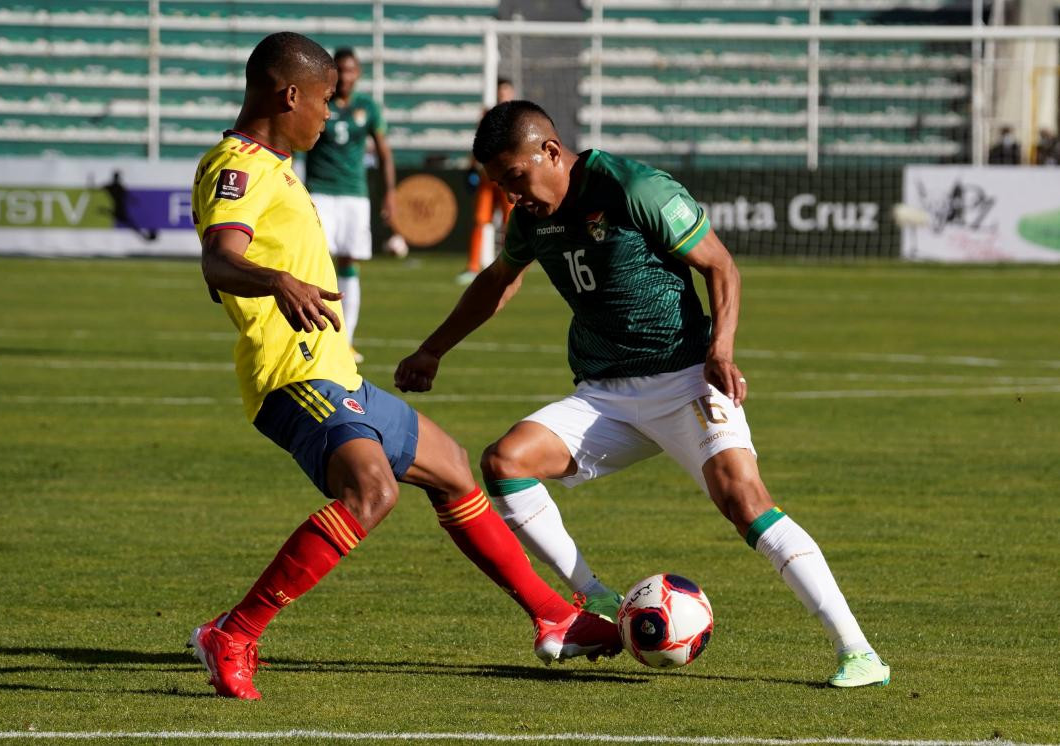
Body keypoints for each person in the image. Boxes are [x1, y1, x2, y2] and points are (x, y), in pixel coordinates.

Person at [395, 100, 891, 688]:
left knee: (744, 500)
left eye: (516, 178)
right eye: (500, 184)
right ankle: (597, 597)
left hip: (684, 377)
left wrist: (721, 350)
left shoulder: (633, 186)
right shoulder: (530, 216)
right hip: (604, 393)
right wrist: (433, 348)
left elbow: (721, 266)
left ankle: (857, 652)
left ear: (551, 152)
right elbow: (497, 283)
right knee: (505, 462)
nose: (511, 195)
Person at [188, 36, 619, 701]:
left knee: (450, 469)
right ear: (290, 96)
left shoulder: (276, 166)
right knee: (372, 494)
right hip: (292, 376)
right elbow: (219, 258)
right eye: (327, 102)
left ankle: (553, 615)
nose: (331, 118)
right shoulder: (235, 166)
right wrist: (277, 280)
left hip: (335, 372)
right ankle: (235, 633)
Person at [303, 47, 395, 364]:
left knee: (349, 263)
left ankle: (346, 340)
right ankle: (315, 337)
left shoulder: (367, 107)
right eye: (340, 70)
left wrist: (390, 194)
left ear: (359, 73)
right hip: (320, 191)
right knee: (317, 263)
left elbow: (384, 152)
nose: (346, 76)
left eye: (351, 70)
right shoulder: (319, 102)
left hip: (355, 194)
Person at [459, 77, 516, 286]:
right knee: (480, 220)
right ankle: (473, 265)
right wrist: (471, 167)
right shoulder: (487, 115)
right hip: (487, 177)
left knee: (511, 223)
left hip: (508, 178)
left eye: (506, 91)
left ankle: (511, 265)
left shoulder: (516, 116)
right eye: (500, 91)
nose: (503, 95)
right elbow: (479, 143)